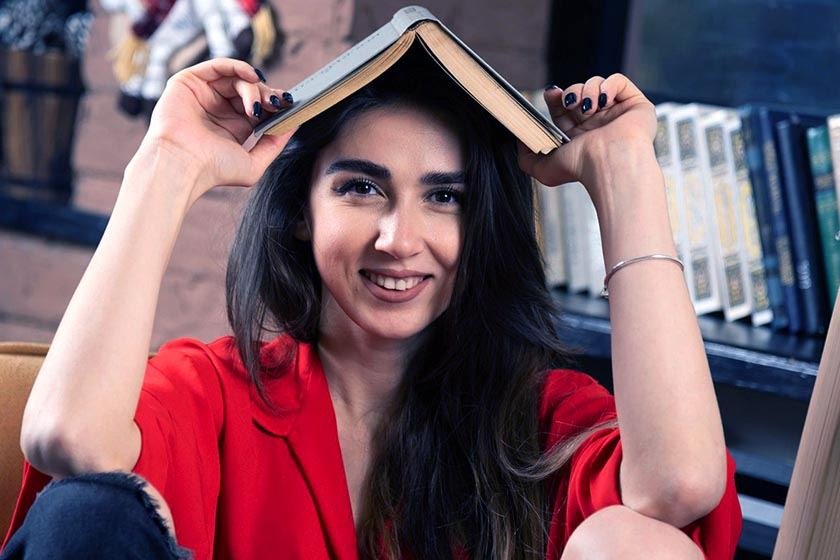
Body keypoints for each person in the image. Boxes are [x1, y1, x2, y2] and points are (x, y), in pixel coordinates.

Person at [1, 45, 742, 559]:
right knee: (86, 508)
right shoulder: (215, 393)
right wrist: (166, 164)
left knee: (640, 543)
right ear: (302, 210)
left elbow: (676, 486)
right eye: (361, 187)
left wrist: (622, 171)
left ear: (479, 226)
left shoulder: (543, 419)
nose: (398, 238)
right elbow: (72, 443)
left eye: (444, 198)